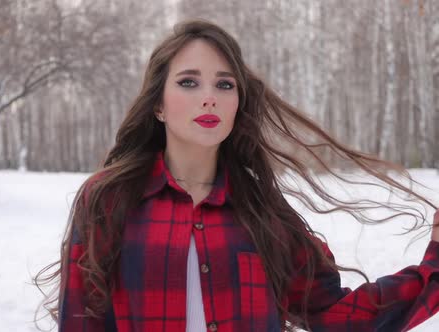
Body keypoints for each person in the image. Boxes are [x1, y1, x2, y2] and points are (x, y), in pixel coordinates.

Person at [34, 19, 439, 332]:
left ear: (237, 104)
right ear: (158, 104)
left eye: (224, 84)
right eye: (189, 82)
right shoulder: (108, 199)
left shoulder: (262, 211)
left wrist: (433, 269)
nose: (209, 96)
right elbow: (81, 319)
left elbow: (336, 316)